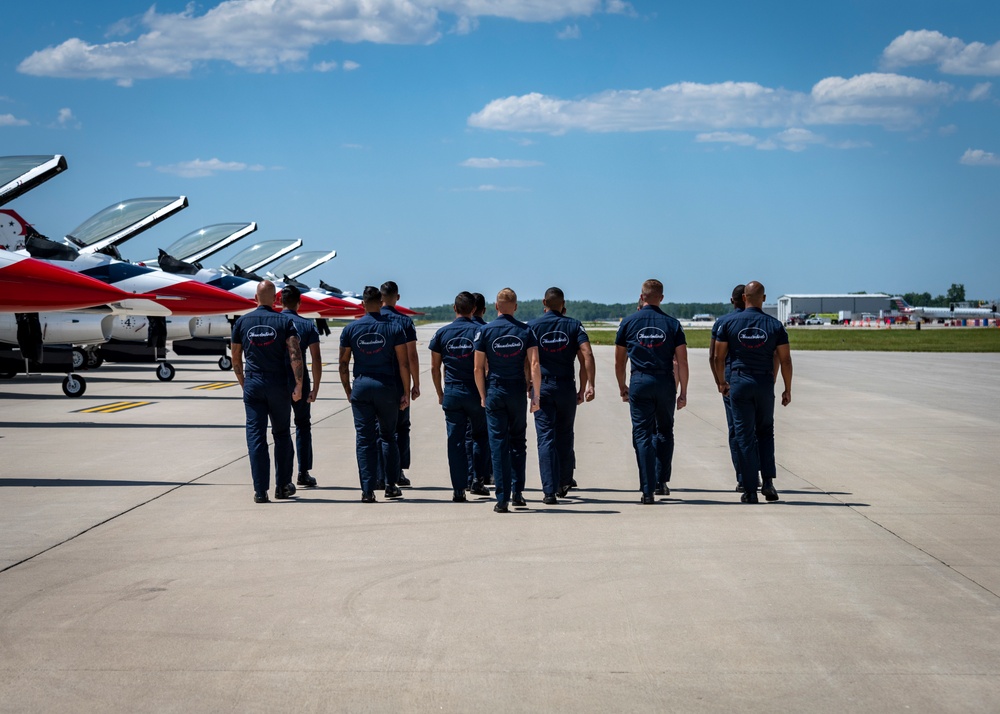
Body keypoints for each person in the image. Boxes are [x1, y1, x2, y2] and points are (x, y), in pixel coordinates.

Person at [713, 281, 793, 503]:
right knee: (766, 432)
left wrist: (721, 381)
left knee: (744, 435)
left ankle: (749, 490)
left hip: (739, 381)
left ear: (744, 298)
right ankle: (768, 482)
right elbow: (784, 359)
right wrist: (787, 387)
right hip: (764, 382)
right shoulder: (775, 325)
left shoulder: (729, 324)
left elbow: (718, 357)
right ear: (764, 298)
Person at [615, 279, 688, 504]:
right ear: (662, 298)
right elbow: (682, 361)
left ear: (641, 296)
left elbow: (619, 362)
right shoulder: (673, 324)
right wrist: (683, 391)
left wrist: (622, 386)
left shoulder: (628, 323)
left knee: (642, 434)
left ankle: (647, 489)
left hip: (640, 380)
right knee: (665, 431)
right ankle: (661, 481)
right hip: (665, 381)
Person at [231, 280, 304, 503]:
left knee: (256, 437)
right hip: (278, 384)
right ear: (276, 299)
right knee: (282, 434)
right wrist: (299, 385)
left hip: (253, 383)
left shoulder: (242, 322)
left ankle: (260, 490)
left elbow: (235, 358)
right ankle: (282, 486)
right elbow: (295, 354)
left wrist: (244, 382)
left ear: (255, 298)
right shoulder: (284, 321)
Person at [339, 286, 411, 502]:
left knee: (364, 439)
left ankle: (367, 490)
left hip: (361, 387)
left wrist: (348, 390)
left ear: (362, 304)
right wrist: (405, 392)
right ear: (381, 302)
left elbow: (343, 364)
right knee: (388, 436)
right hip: (386, 388)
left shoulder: (350, 329)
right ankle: (390, 485)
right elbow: (403, 363)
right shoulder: (395, 328)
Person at [474, 288, 542, 513]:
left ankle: (501, 498)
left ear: (496, 307)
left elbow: (478, 367)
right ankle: (518, 493)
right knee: (517, 442)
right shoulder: (526, 330)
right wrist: (536, 395)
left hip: (495, 389)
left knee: (498, 444)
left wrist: (483, 395)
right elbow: (534, 365)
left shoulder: (485, 331)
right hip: (516, 391)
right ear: (515, 306)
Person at [527, 287, 595, 504]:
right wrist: (588, 385)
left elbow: (526, 360)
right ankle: (564, 481)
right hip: (566, 387)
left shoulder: (532, 326)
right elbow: (587, 354)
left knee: (545, 437)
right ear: (563, 304)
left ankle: (548, 490)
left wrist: (528, 385)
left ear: (543, 302)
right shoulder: (574, 325)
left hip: (543, 387)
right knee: (565, 434)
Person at [429, 291, 490, 501]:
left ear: (455, 308)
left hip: (453, 392)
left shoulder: (441, 334)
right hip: (475, 391)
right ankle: (478, 480)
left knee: (455, 440)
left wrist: (440, 393)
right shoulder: (482, 331)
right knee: (480, 436)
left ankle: (458, 488)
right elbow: (487, 366)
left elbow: (435, 368)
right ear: (474, 309)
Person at [280, 285, 322, 488]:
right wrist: (315, 387)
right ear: (299, 303)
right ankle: (303, 472)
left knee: (281, 429)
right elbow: (316, 358)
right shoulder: (307, 325)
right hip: (301, 381)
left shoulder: (276, 322)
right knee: (303, 425)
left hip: (278, 381)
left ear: (280, 302)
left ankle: (283, 476)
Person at [378, 281, 420, 488]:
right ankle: (398, 472)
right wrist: (415, 384)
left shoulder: (372, 320)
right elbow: (411, 356)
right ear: (398, 297)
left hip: (376, 380)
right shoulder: (404, 322)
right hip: (398, 381)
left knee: (379, 429)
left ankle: (379, 472)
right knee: (401, 427)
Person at [708, 284, 746, 492]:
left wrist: (719, 381)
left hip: (731, 380)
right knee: (758, 429)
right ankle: (759, 472)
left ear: (733, 301)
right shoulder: (767, 321)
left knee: (736, 429)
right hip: (758, 380)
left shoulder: (722, 323)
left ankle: (743, 476)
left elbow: (714, 356)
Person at [467, 292, 493, 486]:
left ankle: (469, 475)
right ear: (482, 310)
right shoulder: (487, 330)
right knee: (485, 434)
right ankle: (485, 473)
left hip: (460, 387)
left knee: (467, 435)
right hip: (484, 388)